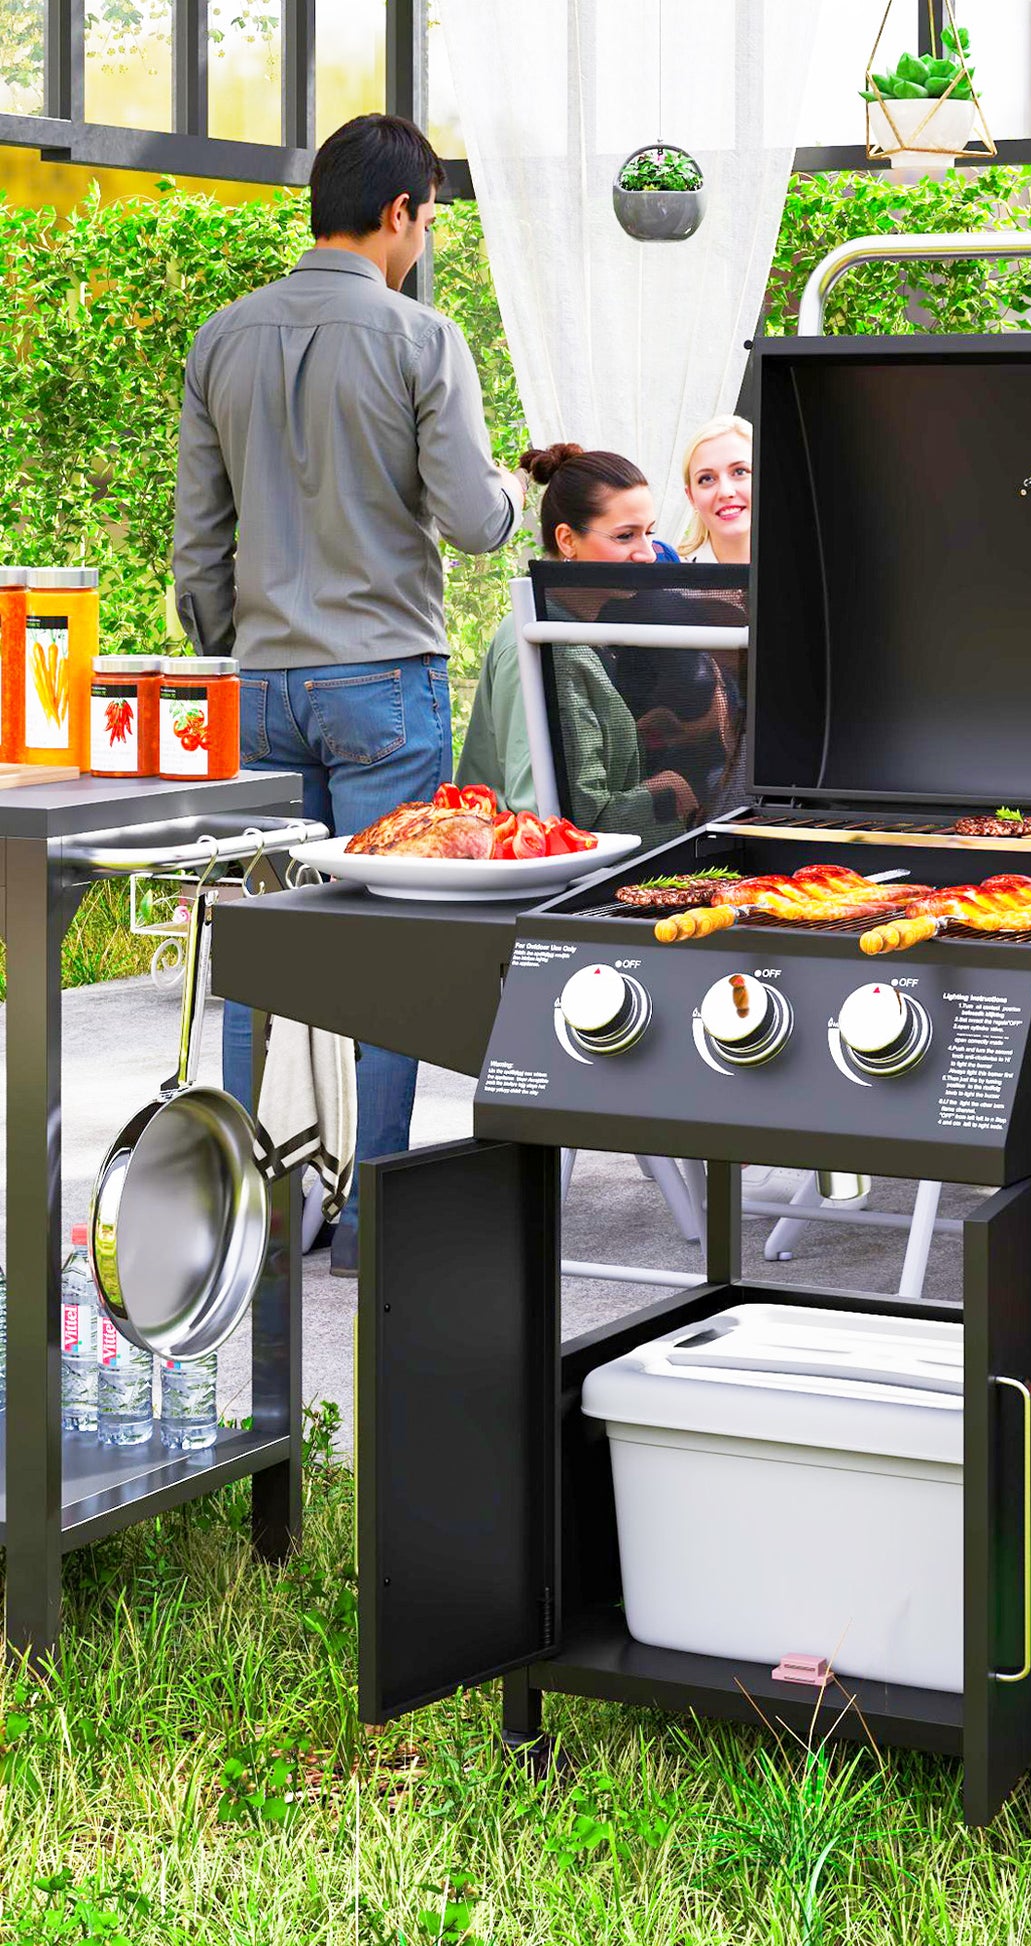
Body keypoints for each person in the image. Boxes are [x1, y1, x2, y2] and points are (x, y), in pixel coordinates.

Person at [174, 113, 519, 1276]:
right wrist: (515, 490)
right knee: (391, 951)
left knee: (263, 949)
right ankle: (372, 1219)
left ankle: (248, 1203)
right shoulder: (422, 338)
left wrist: (245, 651)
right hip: (382, 680)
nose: (426, 238)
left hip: (262, 683)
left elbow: (197, 551)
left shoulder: (220, 338)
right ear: (400, 211)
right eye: (429, 217)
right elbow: (473, 522)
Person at [459, 443, 743, 837]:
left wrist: (648, 735)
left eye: (649, 534)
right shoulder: (539, 643)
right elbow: (540, 816)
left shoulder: (581, 633)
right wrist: (664, 793)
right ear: (567, 540)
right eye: (626, 536)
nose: (647, 554)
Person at [673, 415, 753, 563]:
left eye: (740, 471)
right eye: (707, 479)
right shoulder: (672, 575)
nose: (725, 491)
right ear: (691, 497)